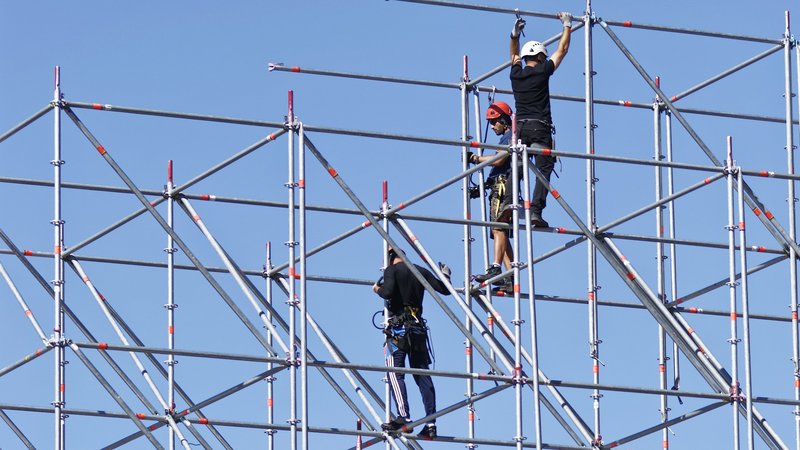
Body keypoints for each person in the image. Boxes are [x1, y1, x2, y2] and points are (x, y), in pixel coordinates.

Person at [373, 247, 451, 439]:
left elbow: (387, 292)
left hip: (399, 331)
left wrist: (377, 289)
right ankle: (431, 423)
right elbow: (444, 289)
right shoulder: (420, 270)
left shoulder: (392, 270)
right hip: (417, 330)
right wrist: (446, 275)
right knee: (422, 374)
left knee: (394, 372)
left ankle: (403, 418)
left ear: (391, 258)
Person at [509, 12, 573, 228]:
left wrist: (514, 36)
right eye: (543, 57)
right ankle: (535, 211)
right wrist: (567, 25)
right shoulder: (542, 72)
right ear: (538, 57)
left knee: (517, 165)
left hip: (520, 130)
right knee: (544, 166)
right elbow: (562, 50)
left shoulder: (515, 75)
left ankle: (510, 204)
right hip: (540, 128)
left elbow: (514, 57)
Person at [466, 101, 516, 293]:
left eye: (495, 121)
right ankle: (509, 276)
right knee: (499, 232)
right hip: (499, 185)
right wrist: (482, 187)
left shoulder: (509, 137)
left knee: (498, 229)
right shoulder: (506, 136)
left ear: (504, 120)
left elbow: (500, 159)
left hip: (503, 187)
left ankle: (496, 267)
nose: (493, 126)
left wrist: (475, 159)